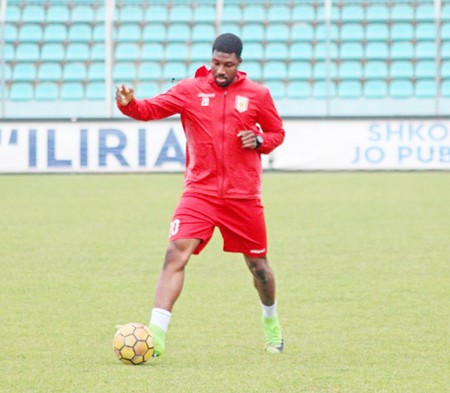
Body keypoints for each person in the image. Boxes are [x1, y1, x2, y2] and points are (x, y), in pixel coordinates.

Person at [116, 33, 285, 356]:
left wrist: (260, 140)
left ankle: (271, 323)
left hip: (243, 196)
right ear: (211, 59)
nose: (221, 70)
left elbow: (277, 132)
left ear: (239, 64)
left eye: (228, 65)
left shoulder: (258, 95)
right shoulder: (189, 90)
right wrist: (128, 104)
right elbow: (149, 109)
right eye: (216, 63)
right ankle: (155, 336)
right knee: (175, 253)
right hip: (200, 192)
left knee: (259, 268)